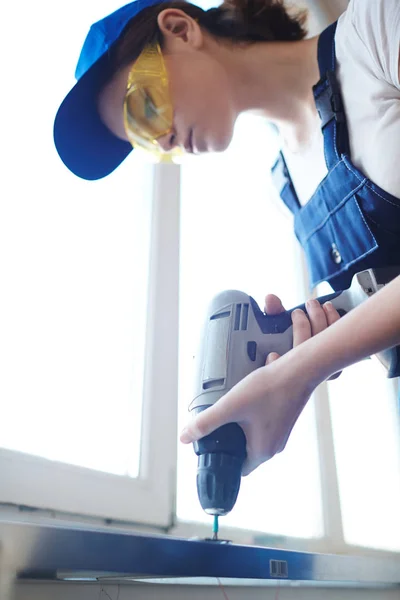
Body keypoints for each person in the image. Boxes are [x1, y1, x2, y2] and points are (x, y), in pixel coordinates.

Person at [54, 0, 400, 476]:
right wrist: (328, 339)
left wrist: (305, 367)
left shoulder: (376, 31)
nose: (162, 142)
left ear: (179, 29)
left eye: (144, 109)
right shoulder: (290, 189)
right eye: (142, 141)